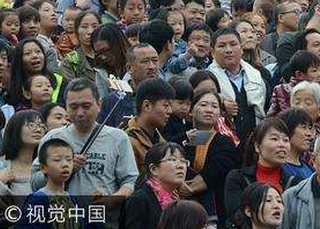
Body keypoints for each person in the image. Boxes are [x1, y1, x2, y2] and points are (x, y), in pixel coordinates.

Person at [31, 78, 139, 223]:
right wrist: (62, 169)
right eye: (73, 107)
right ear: (66, 107)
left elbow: (130, 181)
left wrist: (113, 199)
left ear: (99, 104)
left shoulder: (118, 138)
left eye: (86, 106)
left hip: (102, 221)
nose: (80, 113)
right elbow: (35, 182)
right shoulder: (53, 138)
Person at [181, 89, 239, 227]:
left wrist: (189, 187)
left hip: (215, 208)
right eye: (203, 105)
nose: (209, 110)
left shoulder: (224, 142)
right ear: (191, 110)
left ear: (220, 113)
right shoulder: (182, 139)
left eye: (214, 106)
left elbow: (216, 169)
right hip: (180, 207)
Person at [224, 117, 299, 225]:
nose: (282, 144)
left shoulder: (295, 183)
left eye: (286, 140)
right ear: (257, 147)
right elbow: (237, 217)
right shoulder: (238, 178)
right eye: (274, 139)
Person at [121, 141, 188, 229]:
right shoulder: (139, 200)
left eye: (183, 161)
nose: (181, 166)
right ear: (154, 169)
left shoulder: (177, 200)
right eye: (172, 160)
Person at [0, 110, 46, 196]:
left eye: (41, 126)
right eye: (31, 125)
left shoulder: (47, 167)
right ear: (15, 129)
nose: (38, 130)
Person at [125, 79, 174, 171]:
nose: (170, 111)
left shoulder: (161, 141)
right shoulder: (128, 142)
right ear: (147, 106)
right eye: (166, 105)